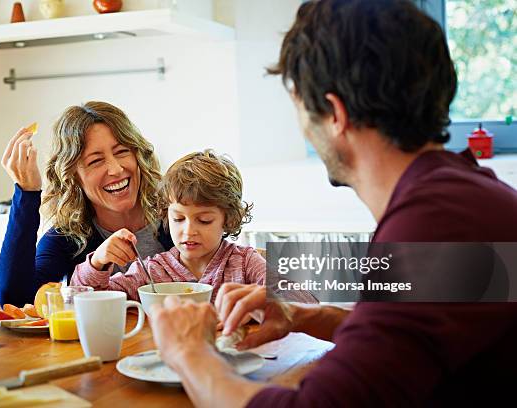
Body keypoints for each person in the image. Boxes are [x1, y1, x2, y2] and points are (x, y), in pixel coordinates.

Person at [147, 0, 517, 407]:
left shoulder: (435, 227)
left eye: (300, 107)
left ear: (335, 113)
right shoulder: (467, 198)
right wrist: (304, 315)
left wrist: (188, 352)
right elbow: (408, 339)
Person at [0, 101, 173, 306]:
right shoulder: (68, 237)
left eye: (122, 152)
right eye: (96, 161)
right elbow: (17, 301)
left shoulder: (177, 217)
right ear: (73, 177)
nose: (116, 169)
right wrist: (27, 194)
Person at [71, 150, 266, 302]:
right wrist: (97, 262)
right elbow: (84, 299)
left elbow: (294, 299)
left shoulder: (245, 262)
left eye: (204, 220)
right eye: (178, 219)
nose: (188, 231)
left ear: (228, 219)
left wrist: (260, 303)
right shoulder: (152, 271)